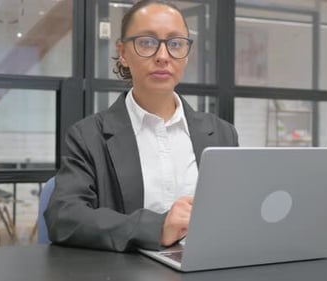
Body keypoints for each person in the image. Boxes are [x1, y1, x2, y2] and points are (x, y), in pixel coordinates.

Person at [44, 0, 238, 252]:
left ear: (186, 55)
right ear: (123, 53)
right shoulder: (88, 136)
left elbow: (235, 212)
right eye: (147, 42)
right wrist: (157, 228)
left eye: (176, 43)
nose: (162, 56)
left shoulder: (222, 133)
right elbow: (64, 217)